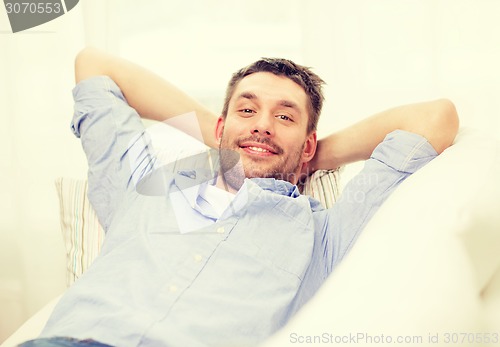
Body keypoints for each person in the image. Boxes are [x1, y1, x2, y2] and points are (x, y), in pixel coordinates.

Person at [21, 47, 459, 347]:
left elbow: (434, 118)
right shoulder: (143, 185)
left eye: (285, 116)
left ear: (308, 143)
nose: (263, 125)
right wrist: (230, 135)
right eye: (247, 110)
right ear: (218, 128)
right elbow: (94, 64)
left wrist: (310, 156)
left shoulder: (322, 234)